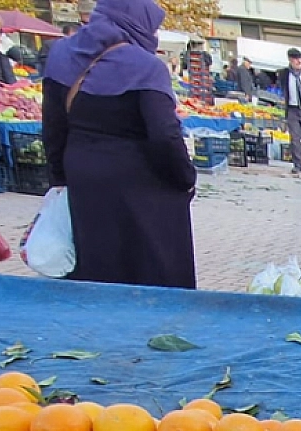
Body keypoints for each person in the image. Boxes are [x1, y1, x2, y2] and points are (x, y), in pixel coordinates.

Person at [43, 0, 195, 289]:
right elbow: (164, 135)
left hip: (83, 178)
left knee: (96, 270)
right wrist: (185, 178)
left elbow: (52, 125)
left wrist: (59, 179)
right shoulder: (146, 67)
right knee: (150, 273)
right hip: (140, 185)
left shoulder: (61, 53)